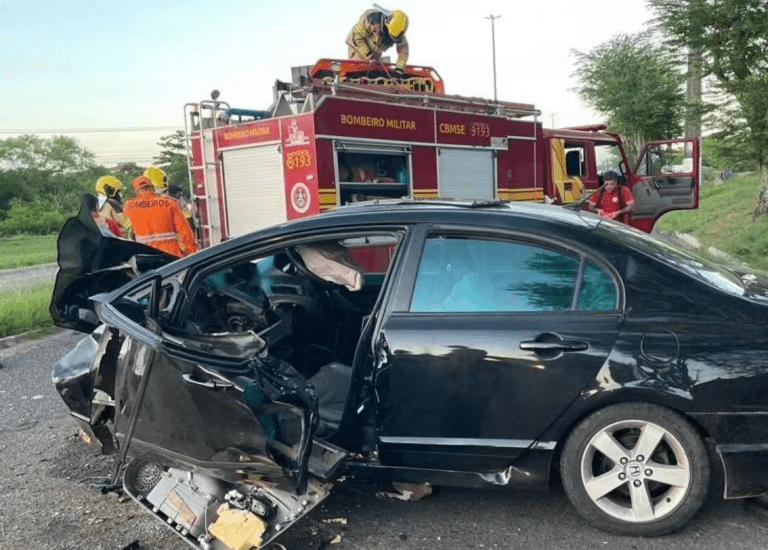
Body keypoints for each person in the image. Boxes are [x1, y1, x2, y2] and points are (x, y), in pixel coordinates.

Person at [123, 176, 198, 257]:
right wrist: (190, 250)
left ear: (136, 191)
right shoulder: (169, 203)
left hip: (145, 254)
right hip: (170, 254)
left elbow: (128, 230)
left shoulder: (129, 206)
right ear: (153, 188)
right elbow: (184, 230)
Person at [347, 6, 409, 79]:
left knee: (374, 69)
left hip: (376, 48)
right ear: (386, 23)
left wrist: (399, 70)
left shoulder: (398, 31)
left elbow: (403, 50)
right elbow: (357, 36)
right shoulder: (371, 20)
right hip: (358, 44)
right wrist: (369, 55)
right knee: (359, 68)